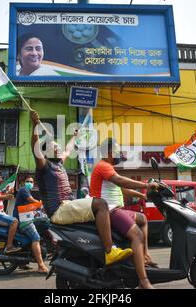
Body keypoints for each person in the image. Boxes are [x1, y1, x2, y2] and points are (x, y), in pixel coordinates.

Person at [30, 110, 132, 266]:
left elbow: (69, 149)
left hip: (68, 205)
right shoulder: (44, 165)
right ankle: (110, 251)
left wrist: (75, 137)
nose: (58, 148)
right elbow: (35, 148)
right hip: (59, 210)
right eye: (54, 147)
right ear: (45, 152)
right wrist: (35, 125)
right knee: (101, 204)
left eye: (57, 146)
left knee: (103, 210)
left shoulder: (59, 164)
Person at [90, 138, 160, 289]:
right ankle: (143, 281)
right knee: (137, 235)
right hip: (110, 211)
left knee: (143, 219)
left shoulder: (108, 168)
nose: (118, 154)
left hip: (116, 209)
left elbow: (120, 189)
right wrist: (145, 185)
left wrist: (141, 194)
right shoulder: (103, 166)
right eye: (116, 151)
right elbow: (120, 181)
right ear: (108, 152)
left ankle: (145, 256)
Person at [13, 176, 49, 274]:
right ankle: (41, 266)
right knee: (36, 238)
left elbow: (31, 206)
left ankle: (22, 262)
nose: (29, 183)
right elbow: (31, 200)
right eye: (27, 181)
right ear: (23, 182)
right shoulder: (24, 190)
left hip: (25, 217)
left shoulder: (26, 191)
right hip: (23, 219)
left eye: (31, 181)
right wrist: (42, 204)